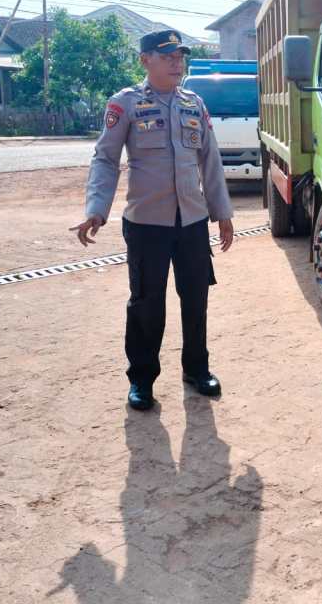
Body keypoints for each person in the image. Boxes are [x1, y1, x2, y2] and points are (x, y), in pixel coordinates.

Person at [72, 30, 234, 409]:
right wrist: (96, 209)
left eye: (180, 56)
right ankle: (142, 379)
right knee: (147, 303)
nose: (177, 63)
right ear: (145, 60)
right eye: (168, 56)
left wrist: (222, 212)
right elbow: (105, 159)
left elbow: (210, 160)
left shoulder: (194, 103)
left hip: (191, 221)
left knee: (195, 298)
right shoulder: (125, 103)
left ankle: (197, 369)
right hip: (147, 223)